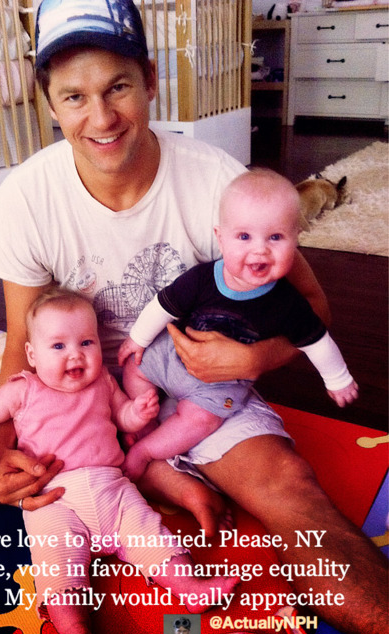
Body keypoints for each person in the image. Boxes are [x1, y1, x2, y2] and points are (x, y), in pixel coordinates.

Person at [0, 1, 386, 634]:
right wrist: (8, 447)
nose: (101, 118)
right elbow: (19, 345)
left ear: (150, 79)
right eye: (74, 97)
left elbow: (314, 309)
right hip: (67, 382)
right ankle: (127, 474)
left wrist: (257, 358)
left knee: (294, 495)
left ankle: (116, 472)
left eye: (117, 87)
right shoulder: (26, 197)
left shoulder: (216, 181)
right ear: (50, 103)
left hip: (191, 389)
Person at [0, 289, 238, 634]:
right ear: (32, 354)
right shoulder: (24, 389)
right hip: (55, 500)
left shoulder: (104, 381)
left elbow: (123, 416)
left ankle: (190, 588)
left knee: (153, 536)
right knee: (56, 570)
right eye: (58, 346)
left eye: (86, 342)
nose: (75, 354)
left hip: (113, 490)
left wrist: (137, 412)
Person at [117, 169, 358, 481]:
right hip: (172, 357)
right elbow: (162, 305)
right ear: (220, 238)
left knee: (203, 420)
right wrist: (137, 339)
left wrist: (338, 379)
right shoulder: (202, 278)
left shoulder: (287, 302)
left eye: (276, 237)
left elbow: (317, 341)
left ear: (295, 240)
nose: (260, 250)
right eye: (244, 237)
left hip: (220, 383)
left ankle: (146, 451)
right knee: (134, 366)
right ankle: (145, 423)